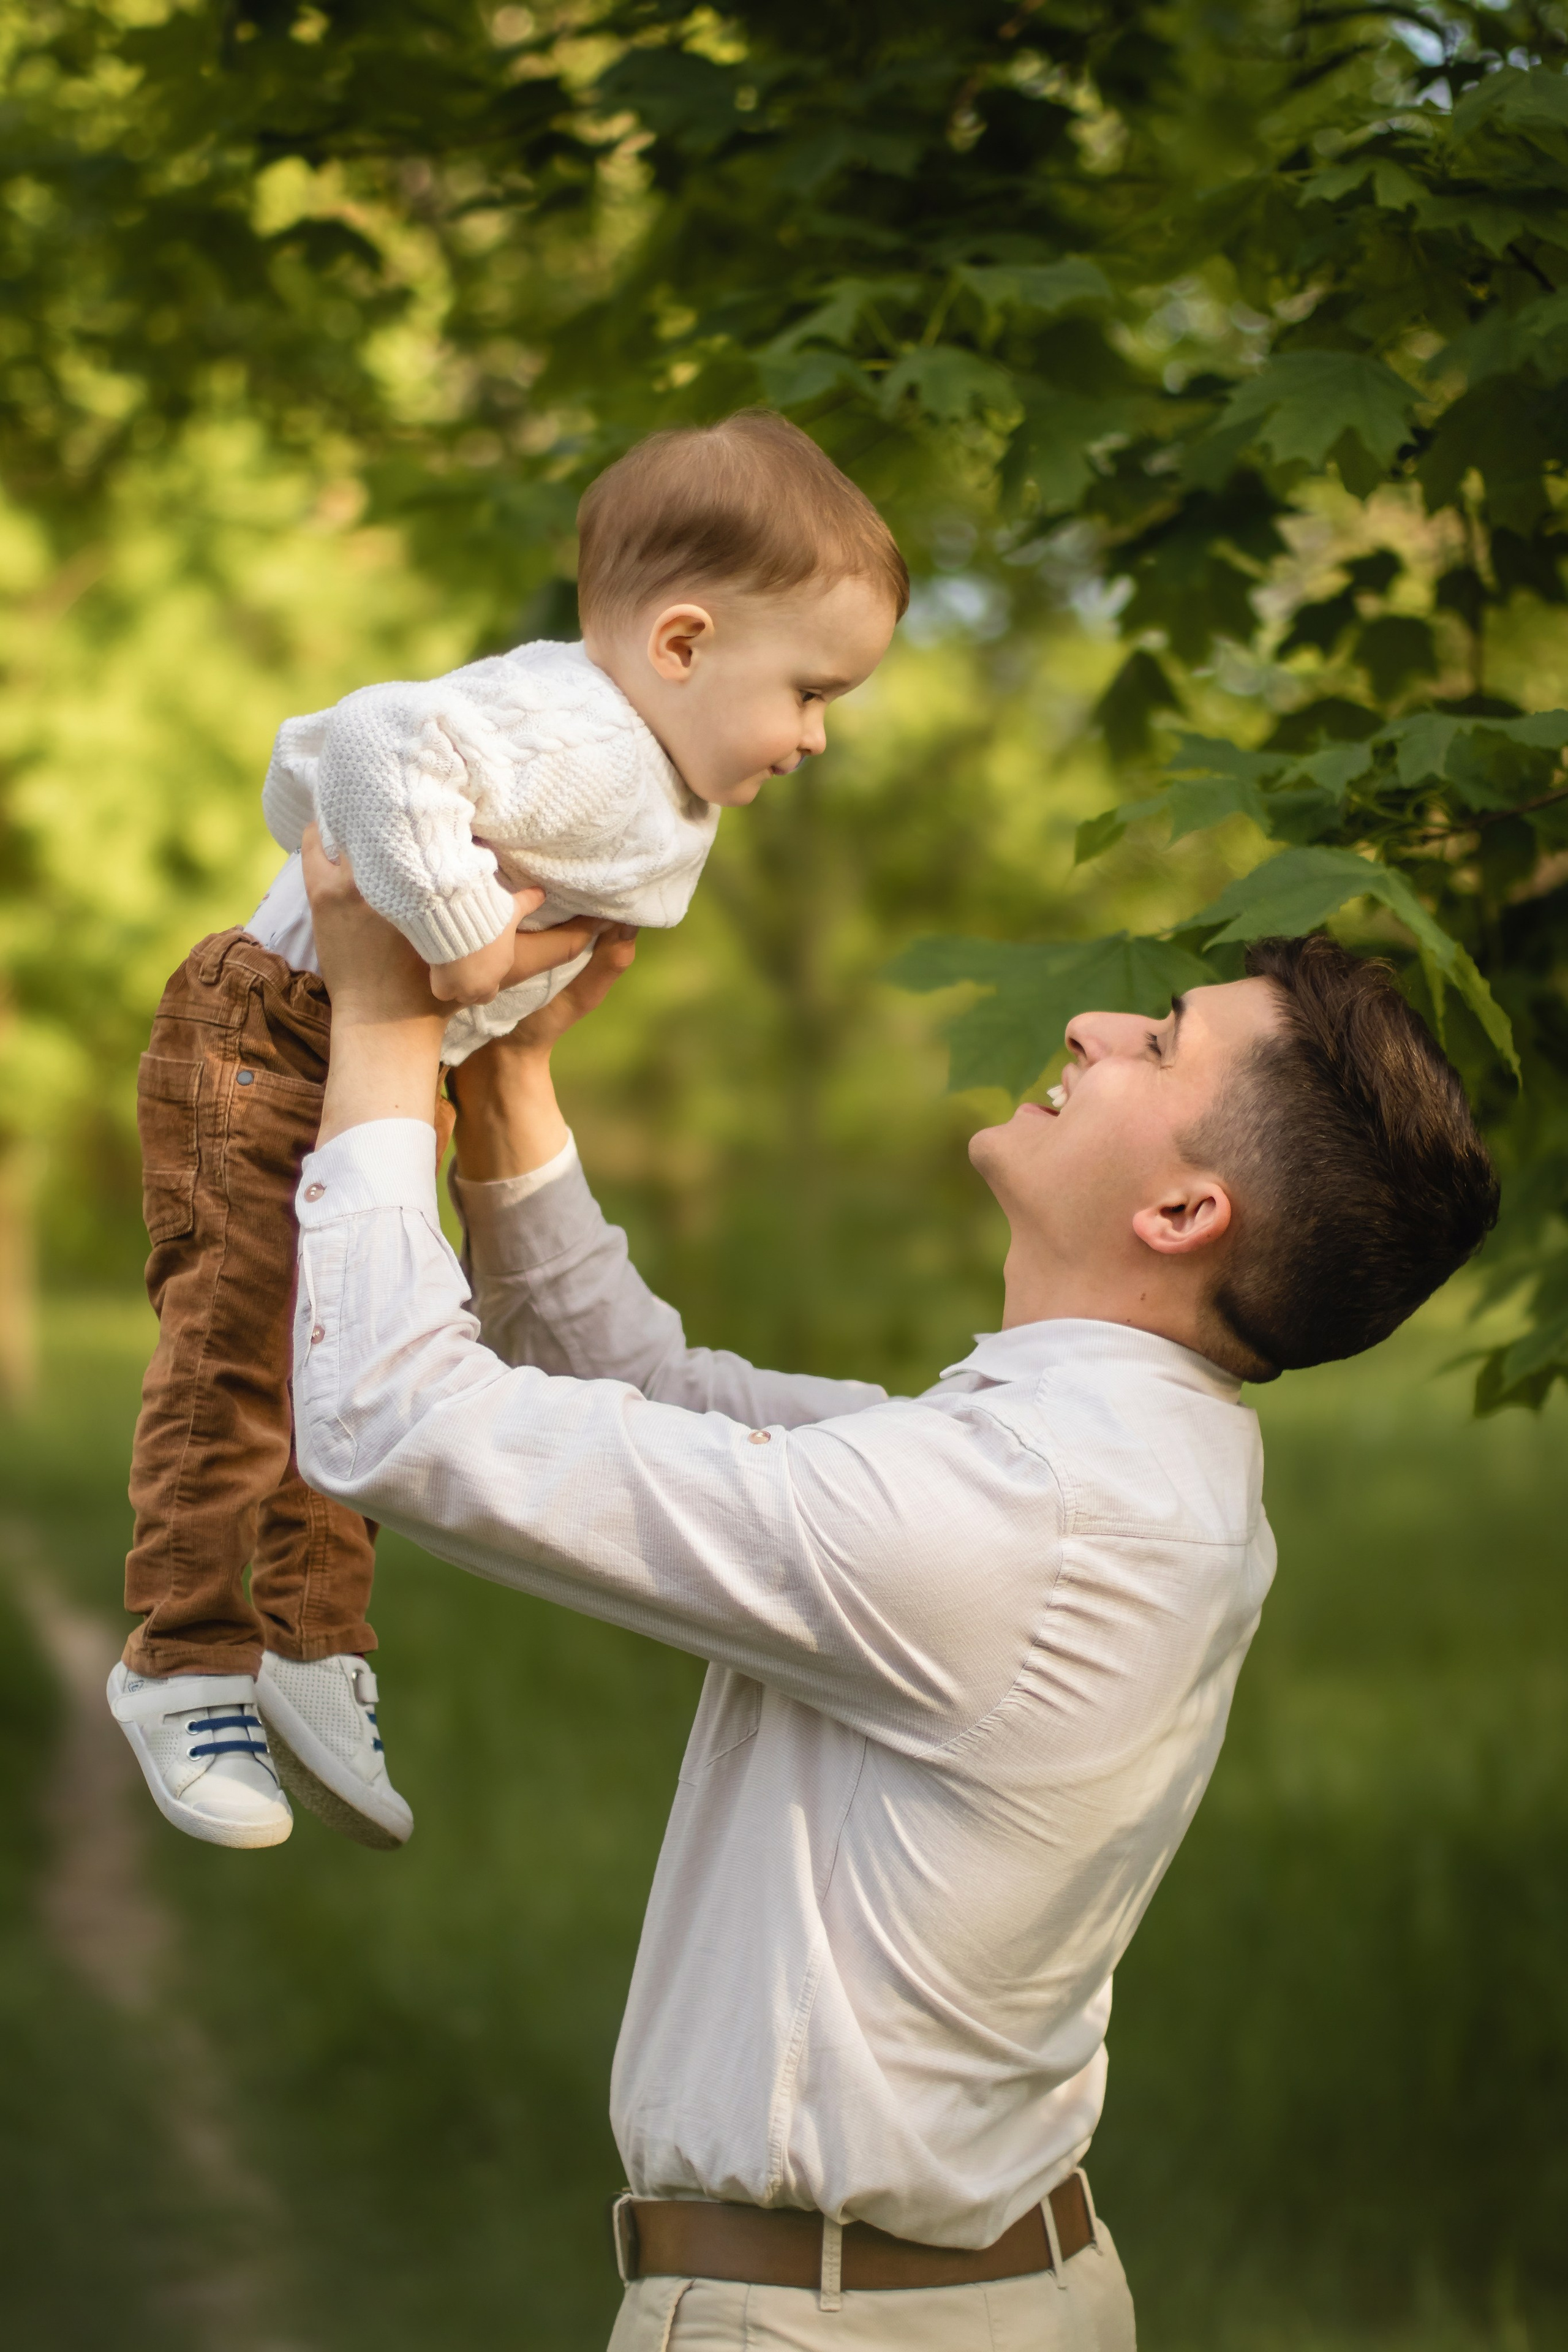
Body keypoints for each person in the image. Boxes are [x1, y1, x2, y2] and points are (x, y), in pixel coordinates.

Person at [283, 837, 1498, 2350]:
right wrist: (513, 1081)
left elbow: (386, 1415)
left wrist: (388, 1030)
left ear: (1183, 1214)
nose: (1089, 1025)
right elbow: (646, 1392)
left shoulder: (1012, 1516)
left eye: (1158, 1042)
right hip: (986, 2290)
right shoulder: (1111, 1470)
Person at [107, 412, 906, 1853]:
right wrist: (466, 944)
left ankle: (309, 1646)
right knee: (238, 1352)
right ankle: (182, 1662)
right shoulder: (581, 736)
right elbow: (362, 740)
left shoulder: (660, 768)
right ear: (678, 645)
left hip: (374, 1065)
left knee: (350, 1349)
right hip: (271, 1032)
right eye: (808, 689)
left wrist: (490, 1034)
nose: (814, 736)